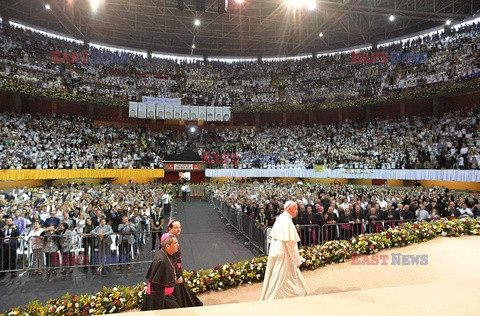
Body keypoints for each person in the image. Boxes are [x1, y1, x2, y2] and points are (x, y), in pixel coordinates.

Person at [260, 201, 308, 301]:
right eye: (296, 209)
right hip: (282, 253)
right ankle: (270, 299)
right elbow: (291, 245)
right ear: (290, 209)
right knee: (278, 279)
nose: (297, 211)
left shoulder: (281, 218)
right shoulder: (287, 222)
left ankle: (296, 294)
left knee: (285, 276)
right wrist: (297, 260)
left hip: (275, 250)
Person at [167, 219, 203, 307]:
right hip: (174, 274)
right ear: (169, 229)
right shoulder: (169, 242)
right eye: (176, 228)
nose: (179, 229)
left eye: (180, 227)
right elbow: (171, 261)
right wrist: (178, 275)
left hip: (177, 271)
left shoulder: (172, 239)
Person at [141, 234, 181, 310]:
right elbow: (156, 286)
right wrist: (159, 307)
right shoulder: (162, 261)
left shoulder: (166, 254)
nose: (178, 245)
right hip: (161, 298)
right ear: (168, 246)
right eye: (175, 243)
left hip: (165, 296)